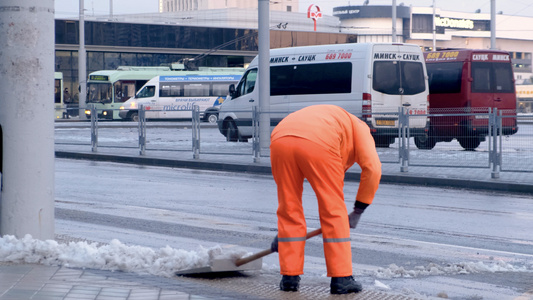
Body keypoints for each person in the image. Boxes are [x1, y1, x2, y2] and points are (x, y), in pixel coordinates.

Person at [269, 105, 382, 294]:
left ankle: (289, 277)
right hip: (319, 142)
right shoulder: (361, 129)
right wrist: (358, 211)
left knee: (289, 207)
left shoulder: (337, 120)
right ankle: (342, 278)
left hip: (280, 138)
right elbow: (373, 168)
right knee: (333, 211)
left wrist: (285, 235)